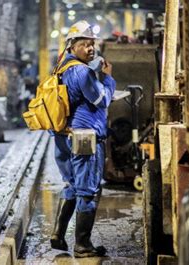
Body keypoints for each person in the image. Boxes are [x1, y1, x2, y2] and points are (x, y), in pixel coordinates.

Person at [50, 20, 116, 258]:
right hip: (85, 137)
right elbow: (103, 100)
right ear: (72, 46)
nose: (90, 49)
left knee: (72, 185)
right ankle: (83, 245)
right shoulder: (82, 71)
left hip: (64, 135)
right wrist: (107, 79)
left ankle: (57, 235)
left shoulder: (61, 68)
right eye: (85, 44)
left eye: (92, 44)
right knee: (87, 190)